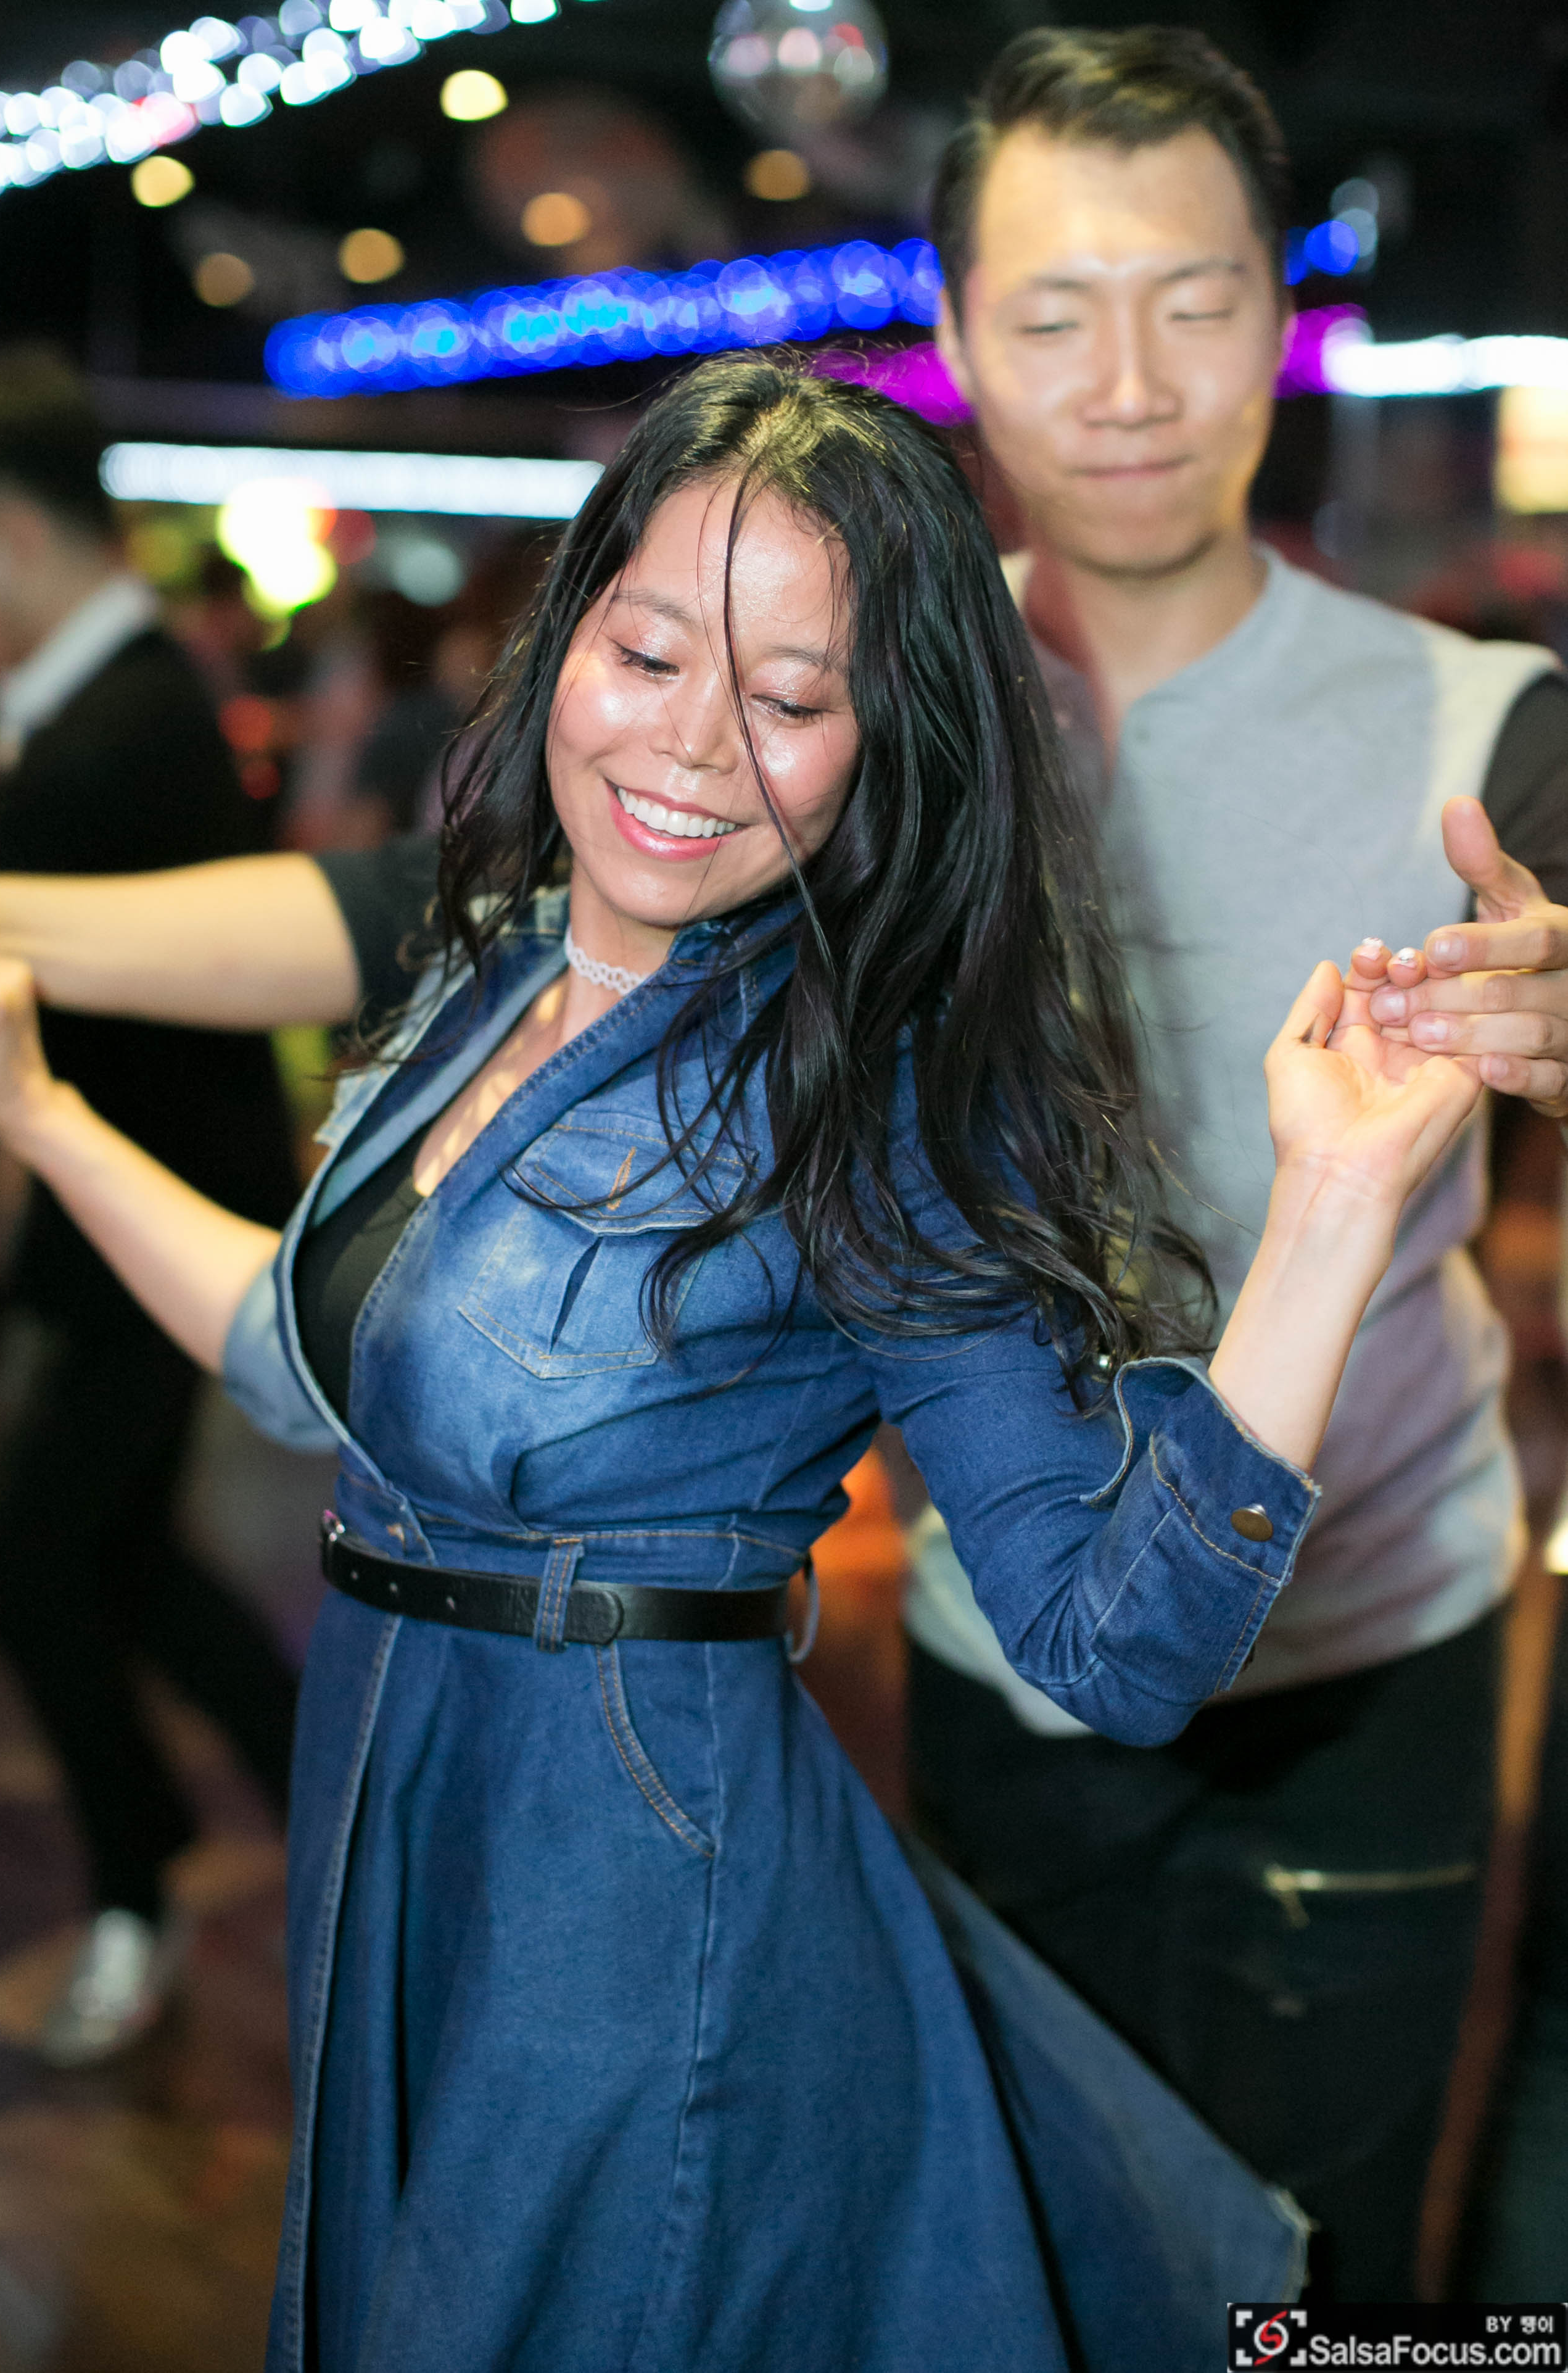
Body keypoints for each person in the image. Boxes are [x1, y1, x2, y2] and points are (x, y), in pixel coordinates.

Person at [0, 357, 1476, 2371]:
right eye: (646, 653)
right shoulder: (506, 960)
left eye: (787, 699)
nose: (687, 745)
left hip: (627, 1889)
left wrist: (1333, 1209)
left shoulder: (874, 1104)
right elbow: (316, 1367)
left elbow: (1112, 1646)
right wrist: (41, 1115)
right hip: (398, 1805)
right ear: (567, 637)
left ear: (882, 745)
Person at [881, 25, 1568, 2301]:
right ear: (956, 331)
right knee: (1025, 2262)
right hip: (1011, 1632)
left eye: (1191, 303)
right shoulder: (880, 717)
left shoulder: (1478, 720)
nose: (1127, 383)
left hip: (1369, 1644)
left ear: (1277, 318)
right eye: (1055, 313)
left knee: (1319, 2294)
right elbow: (437, 904)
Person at [0, 350, 300, 2066]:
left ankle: (140, 1883)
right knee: (113, 1560)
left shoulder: (121, 728)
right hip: (120, 1222)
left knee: (42, 1556)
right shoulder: (107, 703)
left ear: (11, 535)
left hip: (162, 1230)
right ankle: (322, 1817)